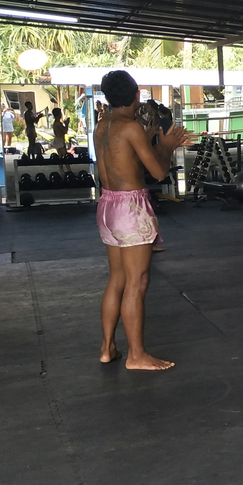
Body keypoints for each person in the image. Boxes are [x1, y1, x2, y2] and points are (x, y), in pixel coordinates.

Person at [93, 70, 192, 371]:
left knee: (118, 279)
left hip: (107, 204)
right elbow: (159, 172)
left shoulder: (102, 125)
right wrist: (167, 146)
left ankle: (108, 347)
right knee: (137, 281)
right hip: (130, 207)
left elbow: (124, 163)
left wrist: (155, 142)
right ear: (136, 95)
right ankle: (136, 355)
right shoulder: (130, 127)